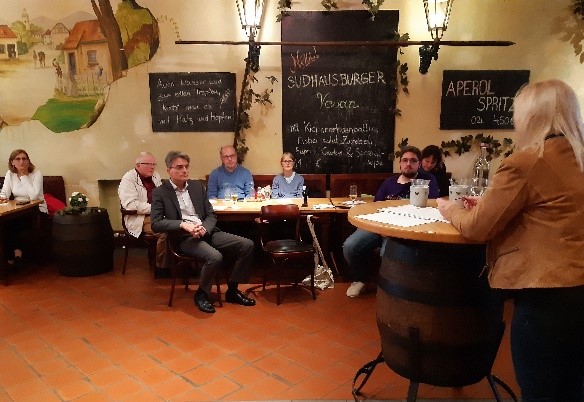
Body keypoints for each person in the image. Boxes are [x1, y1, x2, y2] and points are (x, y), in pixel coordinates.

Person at [437, 79, 584, 402]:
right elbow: (555, 211)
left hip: (548, 297)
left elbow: (477, 228)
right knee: (575, 388)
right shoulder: (578, 157)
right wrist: (490, 204)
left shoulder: (527, 162)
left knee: (541, 391)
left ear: (530, 117)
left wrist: (450, 210)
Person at [151, 150, 256, 314]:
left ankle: (232, 290)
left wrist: (205, 228)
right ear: (169, 170)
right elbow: (156, 223)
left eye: (186, 166)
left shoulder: (197, 187)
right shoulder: (160, 192)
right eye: (179, 167)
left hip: (206, 232)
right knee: (215, 257)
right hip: (184, 238)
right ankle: (202, 293)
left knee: (247, 245)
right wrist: (183, 225)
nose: (185, 170)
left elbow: (211, 214)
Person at [344, 146, 439, 297]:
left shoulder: (427, 181)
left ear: (419, 163)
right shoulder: (389, 182)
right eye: (405, 160)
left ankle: (388, 289)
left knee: (387, 253)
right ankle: (360, 279)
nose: (408, 164)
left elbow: (432, 205)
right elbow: (375, 206)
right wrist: (380, 228)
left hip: (404, 231)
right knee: (350, 246)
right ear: (400, 163)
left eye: (413, 161)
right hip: (380, 227)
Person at [0, 149, 47, 265]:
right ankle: (12, 256)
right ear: (12, 162)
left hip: (37, 209)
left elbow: (34, 196)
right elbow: (5, 193)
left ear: (28, 161)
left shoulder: (36, 174)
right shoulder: (10, 174)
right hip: (18, 208)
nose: (21, 162)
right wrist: (2, 197)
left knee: (12, 224)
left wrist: (23, 176)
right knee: (5, 224)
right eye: (18, 159)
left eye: (24, 159)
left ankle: (16, 256)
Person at [118, 152, 162, 238]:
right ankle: (162, 248)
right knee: (165, 230)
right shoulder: (128, 179)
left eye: (154, 164)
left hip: (158, 215)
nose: (152, 167)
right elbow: (130, 205)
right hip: (139, 218)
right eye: (148, 164)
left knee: (179, 225)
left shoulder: (156, 176)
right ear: (138, 165)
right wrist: (155, 208)